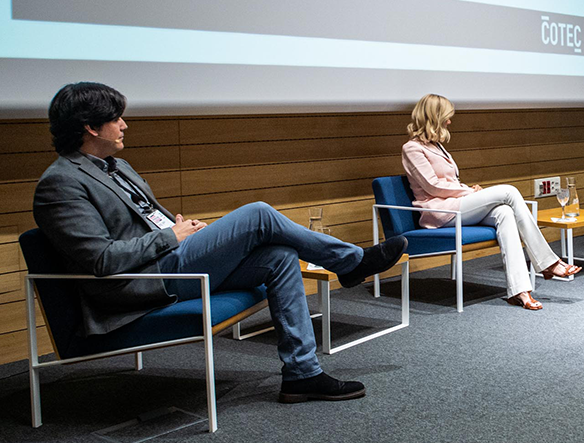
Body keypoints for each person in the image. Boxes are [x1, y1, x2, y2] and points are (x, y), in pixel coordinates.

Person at [33, 82, 408, 403]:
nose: (124, 124)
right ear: (90, 127)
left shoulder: (117, 166)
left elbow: (142, 219)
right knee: (259, 213)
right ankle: (352, 262)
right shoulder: (60, 183)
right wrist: (170, 236)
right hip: (140, 283)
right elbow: (100, 260)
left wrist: (178, 226)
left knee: (278, 255)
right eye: (116, 118)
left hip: (169, 259)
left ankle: (302, 374)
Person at [401, 94, 580, 310]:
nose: (449, 122)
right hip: (440, 212)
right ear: (434, 117)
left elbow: (448, 181)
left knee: (504, 212)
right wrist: (468, 191)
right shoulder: (412, 148)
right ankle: (548, 262)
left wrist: (467, 189)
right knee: (509, 192)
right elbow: (432, 186)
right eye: (446, 117)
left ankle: (520, 291)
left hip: (456, 205)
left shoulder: (438, 146)